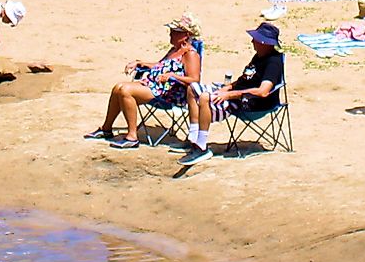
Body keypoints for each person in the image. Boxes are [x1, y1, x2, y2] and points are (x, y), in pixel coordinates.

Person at [87, 15, 204, 149]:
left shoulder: (190, 54)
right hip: (155, 85)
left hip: (169, 93)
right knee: (117, 87)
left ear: (187, 34)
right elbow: (160, 65)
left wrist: (172, 76)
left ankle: (132, 136)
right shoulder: (175, 50)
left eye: (176, 31)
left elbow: (194, 79)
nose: (171, 34)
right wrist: (140, 63)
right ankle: (106, 129)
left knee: (126, 91)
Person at [183, 21, 287, 167]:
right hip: (236, 95)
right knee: (193, 88)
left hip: (251, 104)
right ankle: (194, 138)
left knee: (205, 97)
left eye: (256, 39)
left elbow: (263, 92)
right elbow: (245, 79)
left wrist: (230, 95)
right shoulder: (259, 56)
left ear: (265, 42)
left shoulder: (273, 62)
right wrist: (227, 88)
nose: (252, 41)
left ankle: (202, 147)